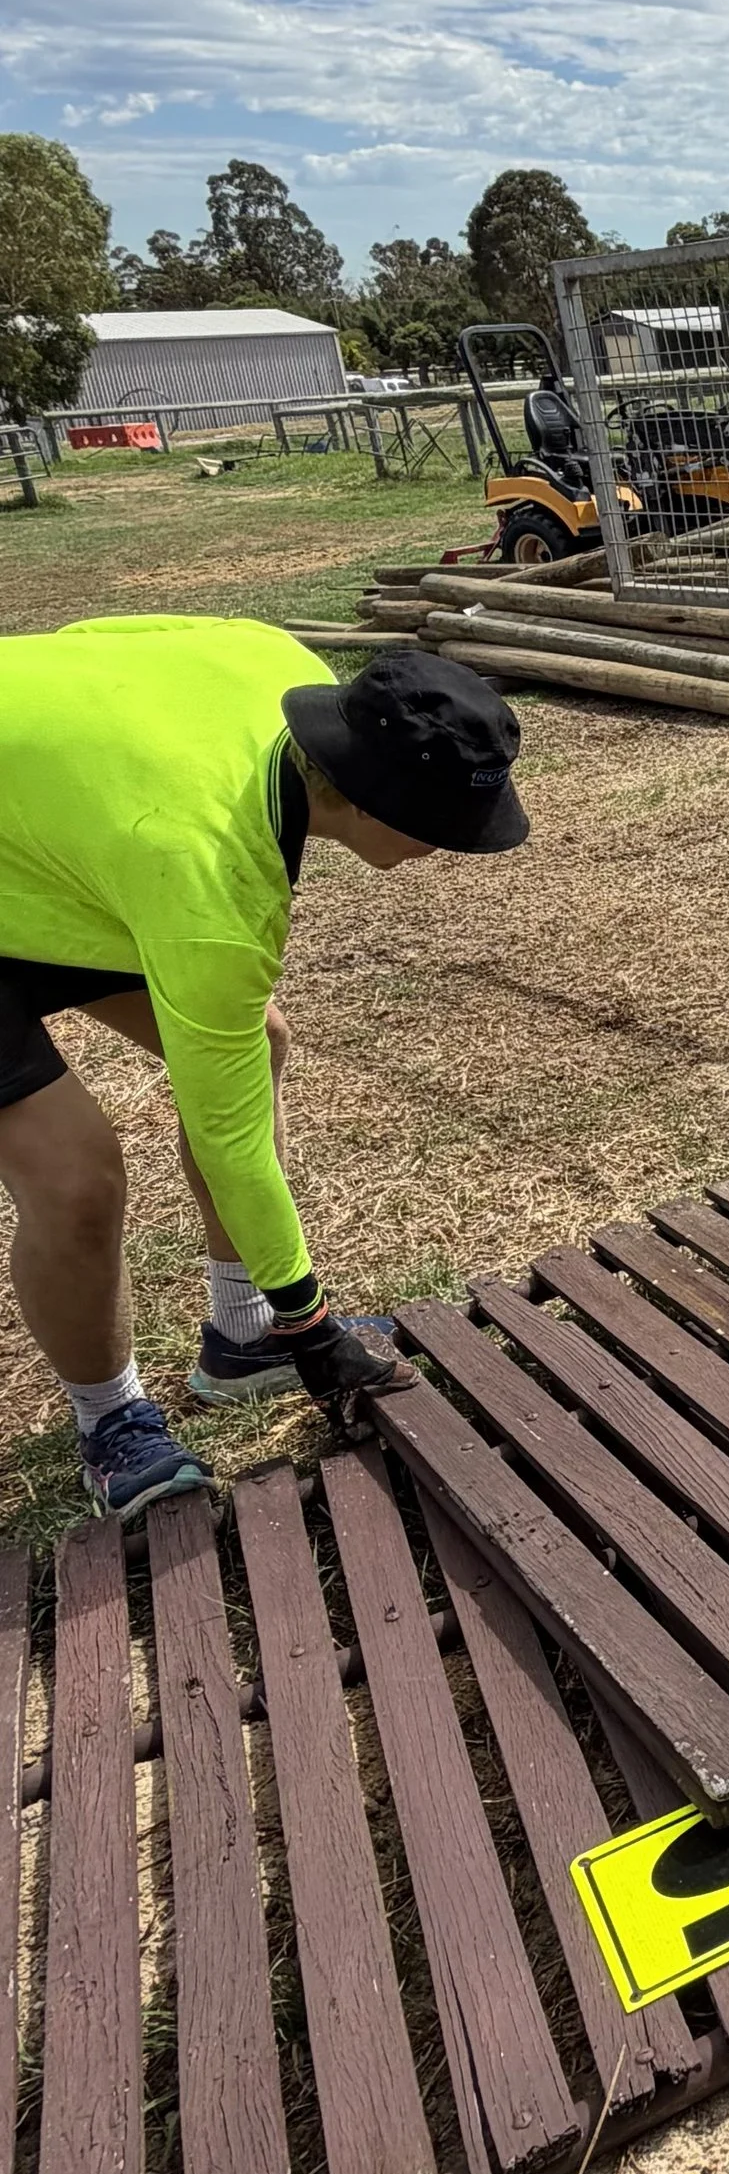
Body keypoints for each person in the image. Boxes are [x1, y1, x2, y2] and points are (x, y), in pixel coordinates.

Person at [0, 621, 528, 1519]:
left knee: (259, 1042)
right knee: (77, 1175)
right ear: (364, 800)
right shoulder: (209, 876)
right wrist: (314, 1323)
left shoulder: (292, 674)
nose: (447, 849)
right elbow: (230, 1133)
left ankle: (244, 1337)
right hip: (107, 840)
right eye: (440, 829)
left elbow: (110, 637)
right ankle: (111, 1418)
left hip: (61, 848)